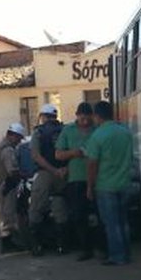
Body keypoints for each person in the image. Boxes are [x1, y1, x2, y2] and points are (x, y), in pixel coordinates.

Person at [86, 100, 135, 266]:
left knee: (111, 224)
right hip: (125, 182)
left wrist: (89, 187)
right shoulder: (125, 132)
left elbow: (92, 164)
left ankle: (117, 256)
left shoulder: (97, 136)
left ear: (97, 116)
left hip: (105, 186)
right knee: (123, 221)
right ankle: (126, 253)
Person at [55, 102, 98, 261]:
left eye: (88, 119)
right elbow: (58, 154)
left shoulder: (97, 129)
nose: (85, 122)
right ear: (77, 116)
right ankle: (86, 248)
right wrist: (74, 153)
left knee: (99, 214)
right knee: (79, 215)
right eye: (82, 118)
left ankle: (101, 246)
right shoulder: (68, 131)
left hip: (98, 178)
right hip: (76, 179)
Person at [28, 103, 69, 256]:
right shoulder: (65, 130)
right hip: (64, 174)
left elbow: (35, 155)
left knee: (36, 207)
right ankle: (62, 246)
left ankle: (36, 246)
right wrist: (64, 169)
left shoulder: (38, 132)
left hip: (46, 174)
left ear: (43, 116)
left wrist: (52, 170)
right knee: (60, 206)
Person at [0, 122, 27, 255]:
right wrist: (25, 174)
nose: (19, 141)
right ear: (12, 136)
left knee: (1, 215)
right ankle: (8, 245)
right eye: (18, 138)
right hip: (6, 185)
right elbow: (12, 171)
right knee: (8, 215)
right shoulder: (8, 150)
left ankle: (8, 242)